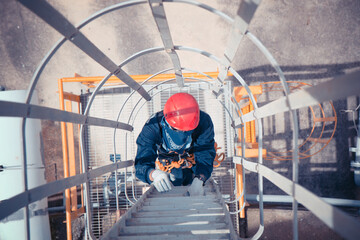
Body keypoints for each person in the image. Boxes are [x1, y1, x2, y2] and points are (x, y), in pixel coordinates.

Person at [134, 92, 215, 196]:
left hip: (191, 156)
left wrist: (200, 178)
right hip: (167, 160)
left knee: (191, 182)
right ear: (166, 123)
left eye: (188, 130)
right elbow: (142, 161)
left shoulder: (203, 122)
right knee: (173, 183)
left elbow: (205, 153)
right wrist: (153, 174)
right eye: (177, 130)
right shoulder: (152, 127)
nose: (183, 135)